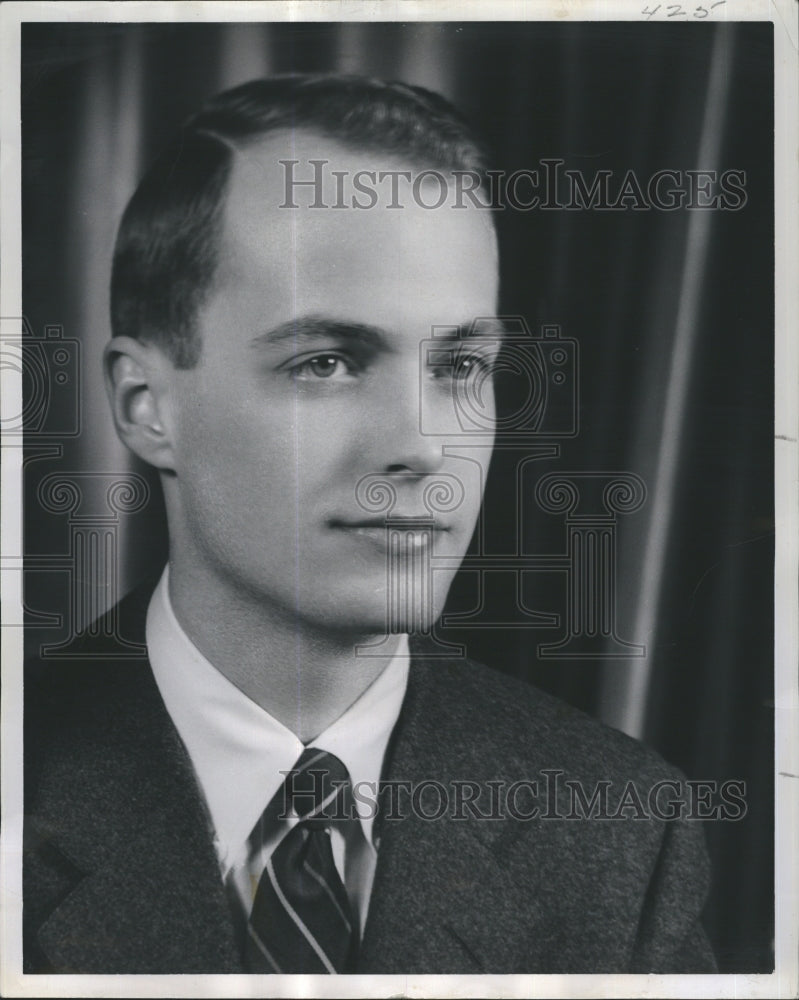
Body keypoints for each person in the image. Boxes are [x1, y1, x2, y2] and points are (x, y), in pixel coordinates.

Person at [23, 74, 716, 976]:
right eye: (327, 362)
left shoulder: (619, 830)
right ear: (147, 405)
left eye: (462, 364)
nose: (422, 448)